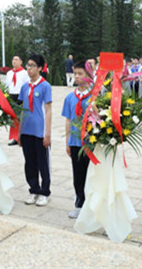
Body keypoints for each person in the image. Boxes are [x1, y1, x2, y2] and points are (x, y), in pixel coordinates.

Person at [19, 54, 52, 207]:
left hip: (40, 131)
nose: (29, 68)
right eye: (28, 65)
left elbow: (48, 110)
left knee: (42, 162)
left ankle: (44, 192)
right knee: (29, 162)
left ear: (40, 68)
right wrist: (19, 132)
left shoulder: (45, 86)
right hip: (26, 130)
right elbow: (21, 109)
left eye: (32, 65)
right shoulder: (25, 87)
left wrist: (47, 133)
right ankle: (34, 189)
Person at [61, 61, 91, 219]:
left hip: (90, 144)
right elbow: (68, 120)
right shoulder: (70, 97)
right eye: (76, 73)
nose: (77, 77)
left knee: (90, 175)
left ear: (88, 76)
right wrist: (67, 140)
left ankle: (90, 205)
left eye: (81, 74)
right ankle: (79, 204)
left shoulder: (95, 97)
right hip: (74, 142)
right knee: (77, 175)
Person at [6, 55, 29, 145]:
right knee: (13, 118)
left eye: (16, 59)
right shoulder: (9, 73)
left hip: (21, 96)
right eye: (13, 59)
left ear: (21, 62)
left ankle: (23, 136)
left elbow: (27, 85)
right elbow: (7, 85)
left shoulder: (25, 73)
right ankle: (15, 137)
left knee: (21, 118)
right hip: (11, 95)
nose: (14, 61)